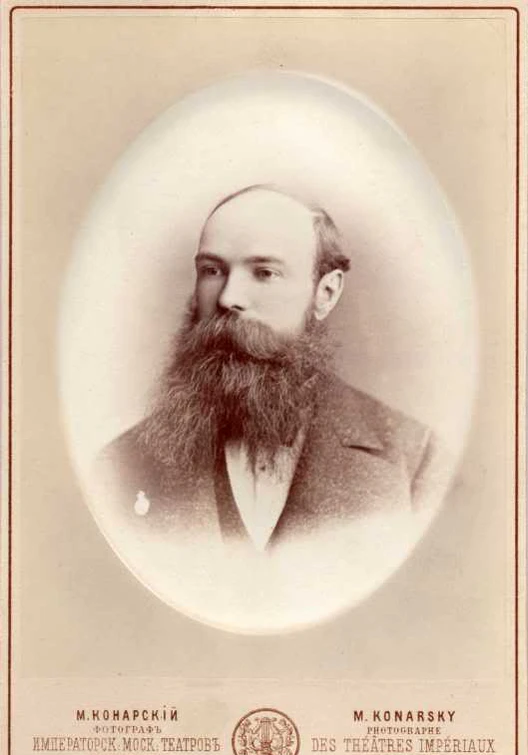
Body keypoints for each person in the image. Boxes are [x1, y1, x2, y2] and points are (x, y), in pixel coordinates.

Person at [97, 184, 449, 551]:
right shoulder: (119, 467)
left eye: (265, 273)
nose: (228, 298)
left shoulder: (417, 461)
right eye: (212, 270)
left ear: (326, 293)